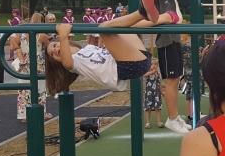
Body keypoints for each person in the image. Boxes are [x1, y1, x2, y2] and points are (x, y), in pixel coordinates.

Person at [44, 9, 180, 107]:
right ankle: (142, 12)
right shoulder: (74, 64)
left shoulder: (88, 48)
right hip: (125, 67)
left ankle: (167, 17)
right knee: (104, 28)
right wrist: (63, 36)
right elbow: (67, 62)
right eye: (52, 54)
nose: (55, 50)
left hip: (136, 60)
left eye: (55, 45)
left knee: (123, 25)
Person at [139, 0, 189, 133]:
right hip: (166, 41)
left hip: (174, 39)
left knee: (176, 80)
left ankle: (175, 117)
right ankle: (172, 118)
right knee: (171, 81)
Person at [14, 13, 50, 123]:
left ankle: (24, 114)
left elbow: (15, 45)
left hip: (25, 62)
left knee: (24, 89)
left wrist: (21, 56)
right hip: (38, 62)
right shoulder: (41, 35)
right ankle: (41, 112)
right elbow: (47, 47)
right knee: (40, 88)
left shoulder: (22, 35)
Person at [144, 61, 163, 129]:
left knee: (157, 107)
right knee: (148, 108)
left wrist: (162, 91)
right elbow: (144, 75)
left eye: (155, 64)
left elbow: (159, 83)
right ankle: (148, 123)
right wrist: (152, 72)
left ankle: (159, 122)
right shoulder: (148, 73)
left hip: (156, 93)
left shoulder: (157, 74)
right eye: (151, 64)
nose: (154, 65)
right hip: (149, 93)